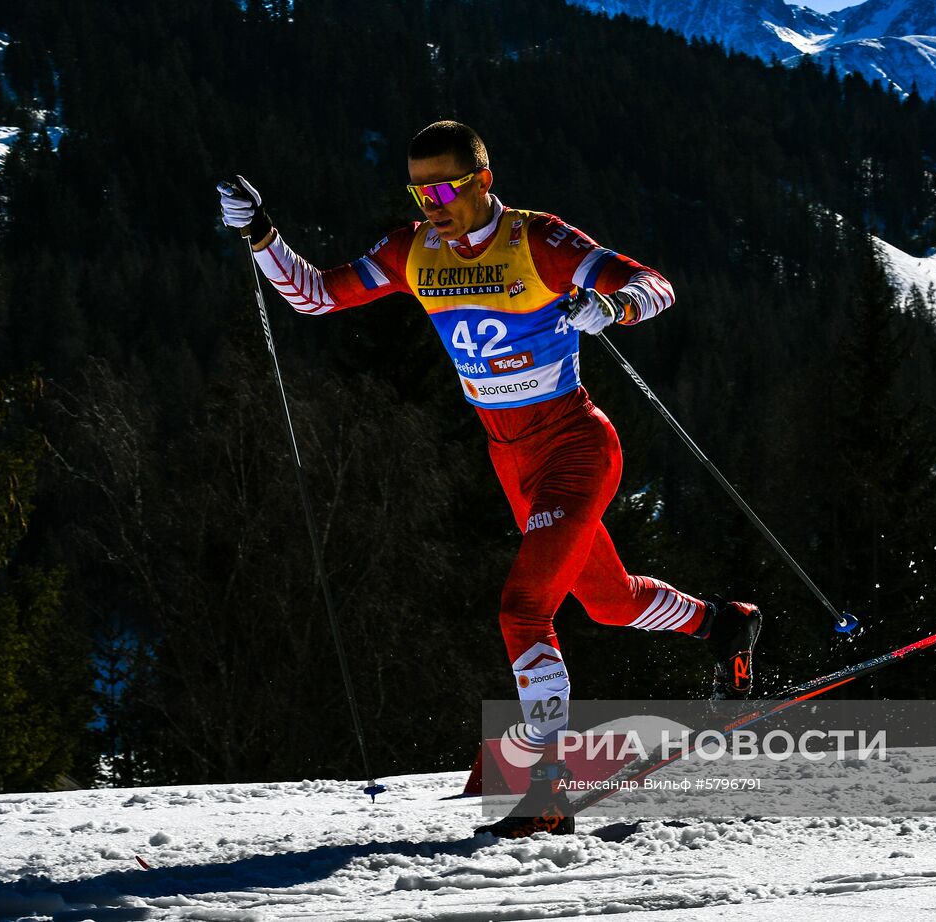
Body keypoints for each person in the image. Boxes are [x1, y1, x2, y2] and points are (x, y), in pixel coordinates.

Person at [218, 120, 760, 838]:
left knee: (523, 609)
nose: (429, 202)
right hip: (511, 458)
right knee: (606, 600)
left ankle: (546, 791)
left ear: (482, 180)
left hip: (575, 446)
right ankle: (723, 623)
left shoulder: (538, 240)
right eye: (417, 189)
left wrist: (610, 305)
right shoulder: (413, 250)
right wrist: (261, 232)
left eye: (442, 186)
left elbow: (654, 285)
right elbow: (316, 296)